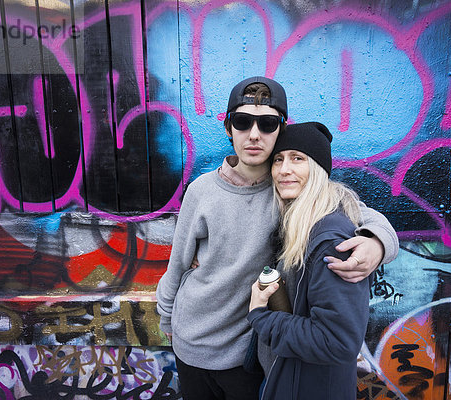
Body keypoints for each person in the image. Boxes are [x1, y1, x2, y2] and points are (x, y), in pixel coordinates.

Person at [156, 77, 398, 400]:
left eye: (267, 124)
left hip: (247, 353)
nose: (254, 134)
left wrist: (377, 241)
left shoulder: (289, 189)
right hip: (191, 344)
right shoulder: (202, 191)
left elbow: (353, 209)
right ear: (229, 129)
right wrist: (166, 318)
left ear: (279, 130)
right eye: (242, 122)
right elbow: (178, 265)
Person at [248, 121, 375, 399]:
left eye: (298, 159)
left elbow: (336, 341)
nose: (284, 170)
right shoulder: (299, 225)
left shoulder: (329, 240)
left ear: (318, 170)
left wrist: (261, 316)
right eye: (278, 159)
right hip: (291, 380)